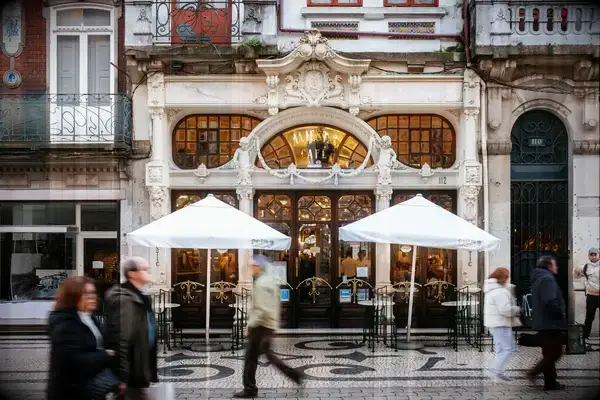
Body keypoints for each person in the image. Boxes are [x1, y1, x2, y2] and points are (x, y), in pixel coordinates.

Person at [234, 255, 304, 398]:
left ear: (259, 267)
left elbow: (261, 308)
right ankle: (295, 375)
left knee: (250, 358)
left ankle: (250, 389)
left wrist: (251, 325)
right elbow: (276, 304)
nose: (251, 268)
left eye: (253, 265)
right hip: (268, 324)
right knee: (268, 356)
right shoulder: (271, 281)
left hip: (260, 326)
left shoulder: (260, 284)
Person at [47, 276, 115, 400]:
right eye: (86, 294)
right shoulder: (65, 323)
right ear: (73, 296)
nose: (93, 297)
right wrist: (106, 355)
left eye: (93, 292)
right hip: (70, 391)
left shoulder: (90, 317)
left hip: (91, 388)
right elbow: (74, 360)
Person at [104, 257, 158, 400]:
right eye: (145, 270)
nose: (148, 272)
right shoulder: (124, 299)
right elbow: (121, 339)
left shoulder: (140, 296)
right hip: (131, 374)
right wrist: (122, 377)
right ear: (132, 274)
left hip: (139, 368)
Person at [527, 255, 567, 390]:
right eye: (555, 265)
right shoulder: (547, 278)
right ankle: (533, 373)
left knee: (549, 353)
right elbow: (550, 300)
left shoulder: (539, 278)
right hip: (550, 322)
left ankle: (550, 382)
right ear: (549, 266)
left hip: (544, 321)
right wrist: (559, 315)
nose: (557, 267)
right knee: (555, 353)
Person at [483, 267, 521, 382]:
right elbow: (505, 309)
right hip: (501, 324)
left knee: (501, 349)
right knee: (508, 348)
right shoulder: (500, 291)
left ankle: (499, 371)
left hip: (494, 324)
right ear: (502, 277)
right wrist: (517, 309)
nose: (508, 278)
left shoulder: (491, 289)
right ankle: (496, 371)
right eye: (507, 276)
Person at [574, 247, 599, 349]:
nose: (593, 256)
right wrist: (577, 270)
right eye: (591, 255)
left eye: (595, 254)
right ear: (589, 256)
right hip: (591, 296)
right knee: (589, 319)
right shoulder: (586, 267)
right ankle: (584, 340)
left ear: (598, 255)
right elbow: (576, 275)